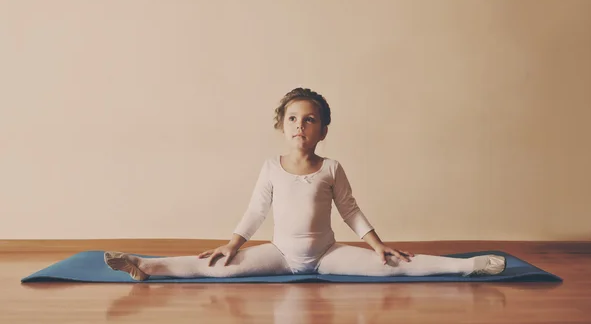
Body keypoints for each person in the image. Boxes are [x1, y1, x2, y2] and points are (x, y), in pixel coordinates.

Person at [104, 87, 505, 281]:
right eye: (294, 118)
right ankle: (144, 265)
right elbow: (256, 210)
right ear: (283, 126)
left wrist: (377, 245)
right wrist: (233, 243)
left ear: (322, 131)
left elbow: (350, 210)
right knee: (219, 268)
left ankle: (471, 266)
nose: (301, 125)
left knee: (394, 268)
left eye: (310, 119)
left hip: (327, 253)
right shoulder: (271, 167)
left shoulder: (331, 168)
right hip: (280, 253)